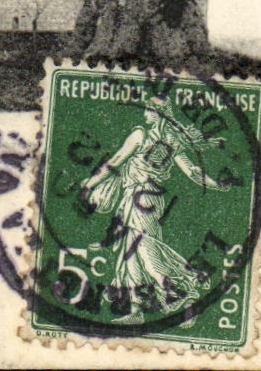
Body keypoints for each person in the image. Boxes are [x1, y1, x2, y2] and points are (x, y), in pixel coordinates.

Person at [79, 97, 231, 323]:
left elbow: (115, 161)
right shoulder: (172, 142)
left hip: (142, 197)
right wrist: (215, 183)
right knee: (131, 249)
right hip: (147, 198)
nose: (145, 114)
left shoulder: (140, 135)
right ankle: (137, 309)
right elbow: (192, 171)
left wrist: (89, 184)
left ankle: (180, 290)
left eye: (149, 110)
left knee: (142, 245)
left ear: (160, 113)